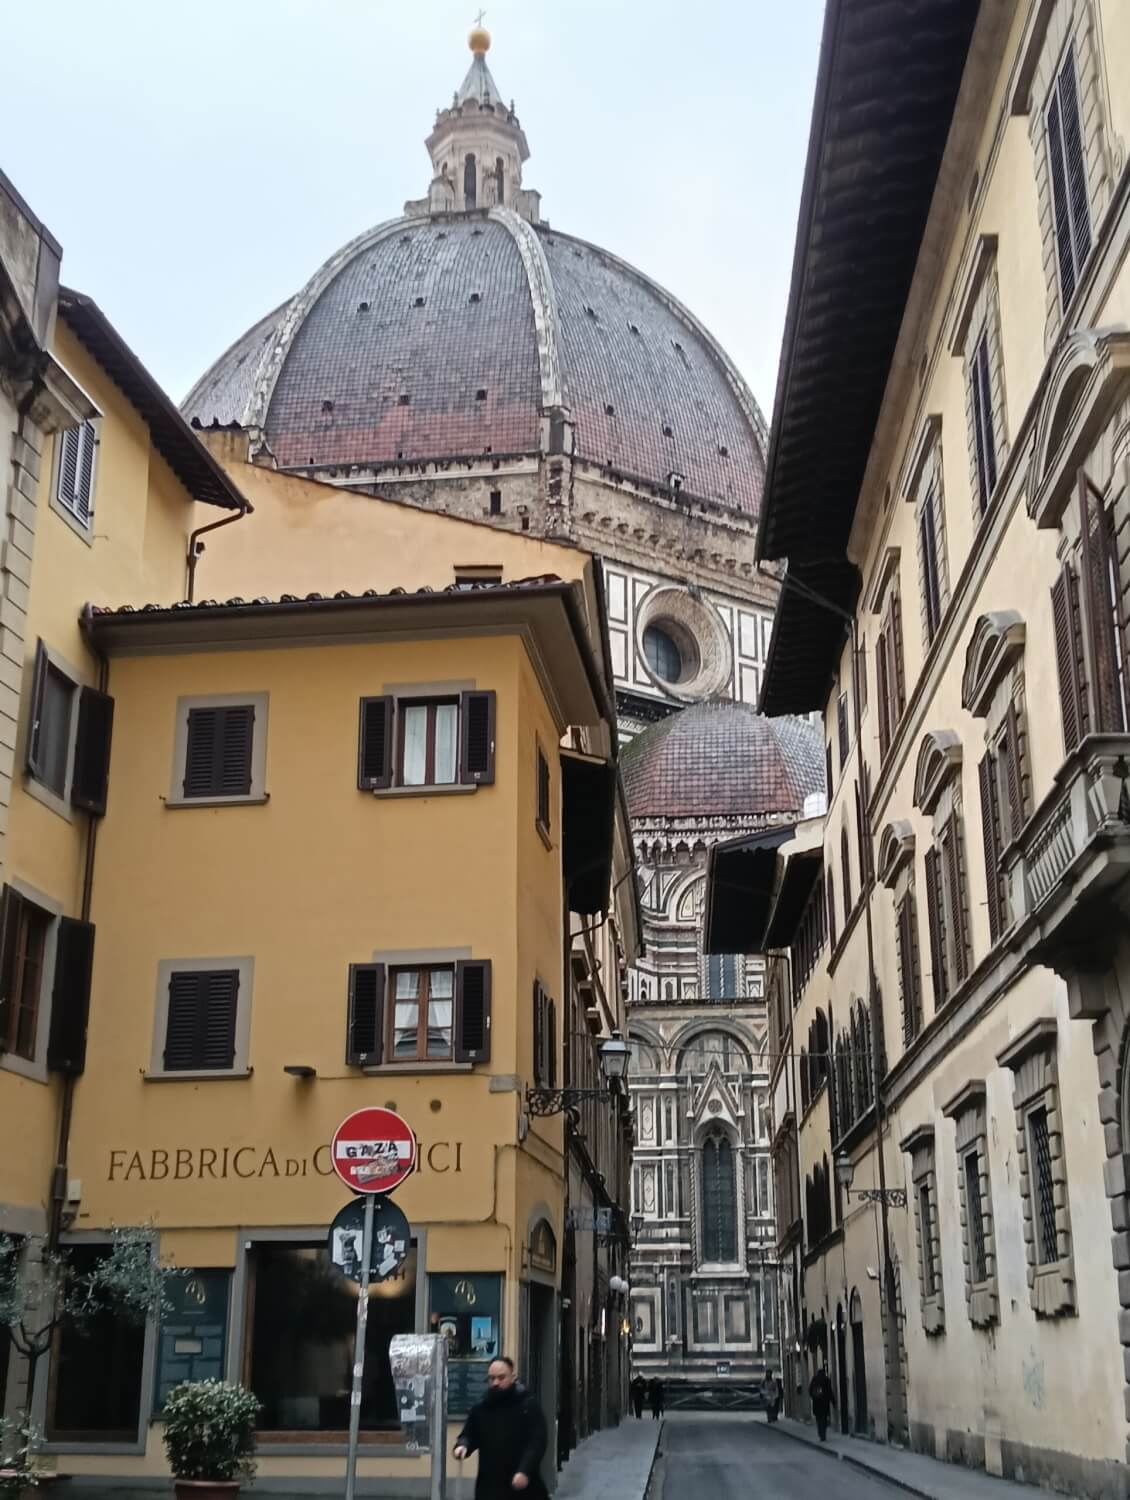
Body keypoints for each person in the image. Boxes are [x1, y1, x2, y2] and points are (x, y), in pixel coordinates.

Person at [454, 1357, 548, 1500]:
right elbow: (469, 1434)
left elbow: (537, 1442)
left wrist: (525, 1470)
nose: (496, 1383)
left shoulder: (527, 1406)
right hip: (490, 1487)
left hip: (523, 1487)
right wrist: (463, 1446)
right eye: (492, 1378)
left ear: (513, 1377)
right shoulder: (481, 1409)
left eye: (501, 1377)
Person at [809, 1365, 835, 1441]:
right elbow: (830, 1391)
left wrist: (813, 1397)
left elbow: (810, 1390)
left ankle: (820, 1433)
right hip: (824, 1403)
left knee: (818, 1419)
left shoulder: (814, 1379)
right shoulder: (826, 1379)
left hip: (816, 1403)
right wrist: (833, 1401)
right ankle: (823, 1434)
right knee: (824, 1419)